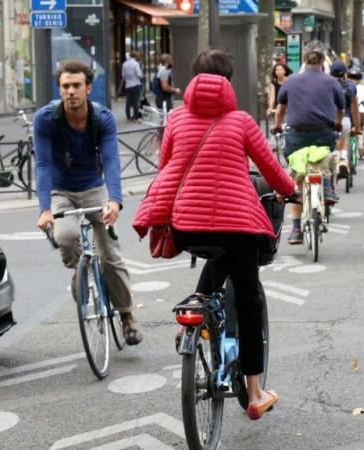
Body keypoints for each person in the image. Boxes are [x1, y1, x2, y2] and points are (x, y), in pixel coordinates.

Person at [132, 49, 296, 420]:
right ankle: (254, 393)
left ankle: (196, 309)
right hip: (238, 225)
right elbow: (270, 169)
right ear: (228, 82)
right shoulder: (241, 121)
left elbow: (166, 168)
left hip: (186, 225)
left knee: (216, 254)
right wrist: (290, 190)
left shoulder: (175, 119)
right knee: (248, 301)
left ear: (193, 80)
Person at [34, 59, 142, 345]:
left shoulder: (102, 118)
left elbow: (111, 160)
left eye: (76, 86)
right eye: (65, 86)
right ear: (60, 89)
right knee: (67, 237)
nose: (70, 91)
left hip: (94, 188)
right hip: (60, 191)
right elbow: (43, 165)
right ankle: (79, 271)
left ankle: (127, 315)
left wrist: (115, 201)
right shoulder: (46, 119)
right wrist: (45, 209)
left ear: (88, 88)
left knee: (110, 256)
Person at [273, 40, 345, 244]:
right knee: (329, 153)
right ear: (323, 62)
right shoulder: (332, 82)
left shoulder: (291, 81)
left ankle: (296, 229)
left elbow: (280, 110)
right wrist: (338, 124)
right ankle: (328, 185)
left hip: (297, 137)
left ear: (304, 60)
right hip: (324, 134)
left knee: (297, 175)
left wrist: (278, 126)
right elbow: (341, 110)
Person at [330, 60, 360, 176]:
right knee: (345, 134)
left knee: (332, 144)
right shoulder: (351, 86)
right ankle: (343, 159)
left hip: (328, 121)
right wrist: (357, 127)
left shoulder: (325, 84)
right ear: (344, 74)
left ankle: (336, 159)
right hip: (345, 120)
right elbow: (355, 109)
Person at [349, 66, 364, 159]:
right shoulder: (363, 88)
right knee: (360, 129)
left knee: (351, 130)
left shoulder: (347, 87)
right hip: (362, 112)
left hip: (350, 113)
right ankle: (360, 144)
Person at [121, 51, 143, 121]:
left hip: (128, 85)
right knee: (136, 102)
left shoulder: (124, 64)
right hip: (136, 84)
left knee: (128, 102)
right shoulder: (136, 64)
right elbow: (139, 74)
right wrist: (141, 77)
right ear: (135, 57)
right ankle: (136, 117)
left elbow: (123, 75)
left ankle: (128, 117)